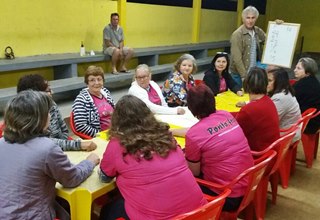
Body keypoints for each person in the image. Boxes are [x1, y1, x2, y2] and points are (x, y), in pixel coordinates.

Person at [99, 95, 207, 220]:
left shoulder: (117, 144)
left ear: (117, 120)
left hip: (162, 215)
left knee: (108, 210)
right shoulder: (165, 135)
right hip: (201, 213)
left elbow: (105, 177)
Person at [0, 90, 100, 219]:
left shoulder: (1, 142)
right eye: (47, 112)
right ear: (38, 118)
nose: (50, 116)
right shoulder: (46, 149)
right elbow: (72, 179)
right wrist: (89, 162)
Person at [184, 84, 254, 211]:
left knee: (181, 180)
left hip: (228, 195)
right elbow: (207, 132)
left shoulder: (193, 135)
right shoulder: (226, 115)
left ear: (191, 107)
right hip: (251, 183)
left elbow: (194, 172)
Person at [17, 74, 97, 151]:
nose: (52, 92)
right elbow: (42, 143)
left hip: (59, 148)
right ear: (36, 96)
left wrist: (65, 146)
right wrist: (76, 145)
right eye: (48, 90)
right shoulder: (26, 119)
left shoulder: (52, 105)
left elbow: (64, 130)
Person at [234, 67, 280, 151]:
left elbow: (234, 134)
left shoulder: (249, 110)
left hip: (258, 155)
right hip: (271, 151)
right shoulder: (268, 100)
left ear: (246, 84)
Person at [72, 65, 115, 137]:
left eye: (99, 79)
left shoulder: (105, 92)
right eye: (92, 80)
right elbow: (81, 126)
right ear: (87, 83)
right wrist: (102, 135)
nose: (96, 83)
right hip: (101, 136)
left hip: (115, 131)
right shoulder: (81, 100)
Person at [230, 6, 266, 86]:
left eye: (253, 18)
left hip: (252, 72)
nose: (250, 21)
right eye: (248, 18)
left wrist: (277, 26)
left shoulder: (257, 31)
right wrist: (244, 76)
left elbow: (271, 41)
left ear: (256, 18)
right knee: (239, 96)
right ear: (243, 19)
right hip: (239, 74)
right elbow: (237, 58)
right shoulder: (237, 34)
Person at [267, 68, 301, 141]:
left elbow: (270, 122)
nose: (266, 83)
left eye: (269, 81)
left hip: (287, 134)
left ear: (278, 82)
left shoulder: (280, 98)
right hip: (290, 130)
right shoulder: (285, 91)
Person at [293, 57, 320, 134]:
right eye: (295, 67)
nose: (295, 70)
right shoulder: (314, 81)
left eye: (299, 68)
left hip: (308, 124)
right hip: (315, 120)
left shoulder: (302, 85)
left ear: (308, 73)